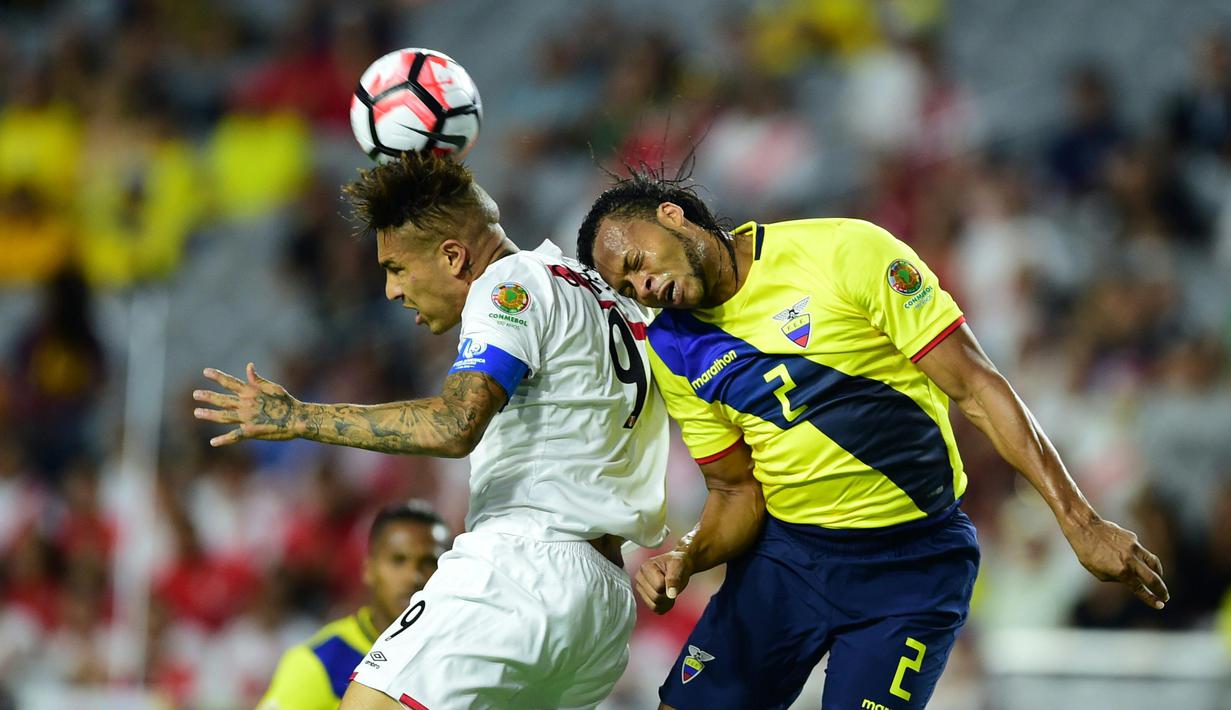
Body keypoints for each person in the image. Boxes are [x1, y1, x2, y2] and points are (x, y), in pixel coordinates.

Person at [575, 169, 1170, 710]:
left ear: (674, 216)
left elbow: (976, 388)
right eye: (626, 285)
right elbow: (735, 494)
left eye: (635, 260)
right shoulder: (674, 350)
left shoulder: (843, 251)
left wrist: (1079, 521)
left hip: (913, 566)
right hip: (787, 563)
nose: (643, 285)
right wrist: (687, 555)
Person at [193, 153, 670, 710]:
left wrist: (297, 417)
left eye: (396, 268)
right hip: (604, 606)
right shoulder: (599, 293)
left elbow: (455, 423)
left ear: (452, 256)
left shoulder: (507, 284)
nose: (393, 292)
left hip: (525, 566)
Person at [258, 501, 449, 710]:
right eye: (398, 560)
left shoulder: (464, 652)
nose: (413, 576)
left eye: (430, 562)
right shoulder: (320, 663)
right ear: (369, 569)